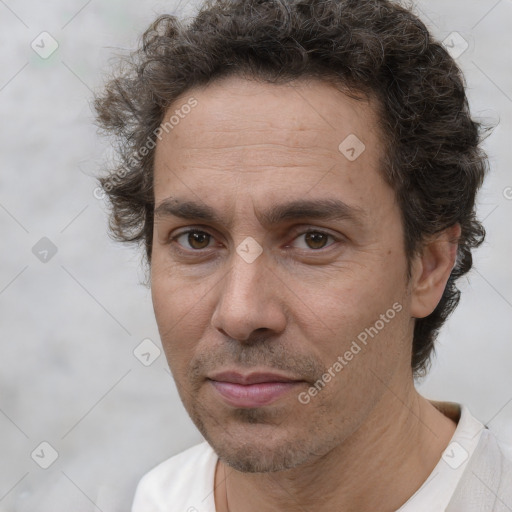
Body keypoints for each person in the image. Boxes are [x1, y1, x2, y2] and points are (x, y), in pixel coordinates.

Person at [93, 0, 512, 510]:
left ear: (428, 266)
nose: (241, 314)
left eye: (315, 239)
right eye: (197, 239)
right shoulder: (159, 499)